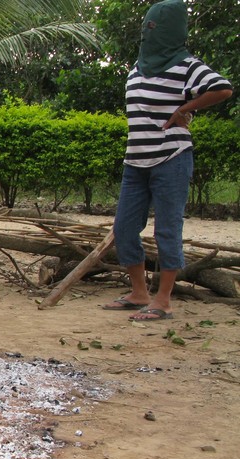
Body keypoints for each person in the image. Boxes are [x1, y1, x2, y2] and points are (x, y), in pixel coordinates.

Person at [103, 0, 232, 320]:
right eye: (146, 28)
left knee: (167, 230)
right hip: (135, 161)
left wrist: (186, 109)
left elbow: (222, 88)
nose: (149, 34)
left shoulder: (186, 64)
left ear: (172, 31)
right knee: (123, 228)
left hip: (171, 159)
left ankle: (163, 300)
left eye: (155, 29)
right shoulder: (137, 66)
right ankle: (138, 292)